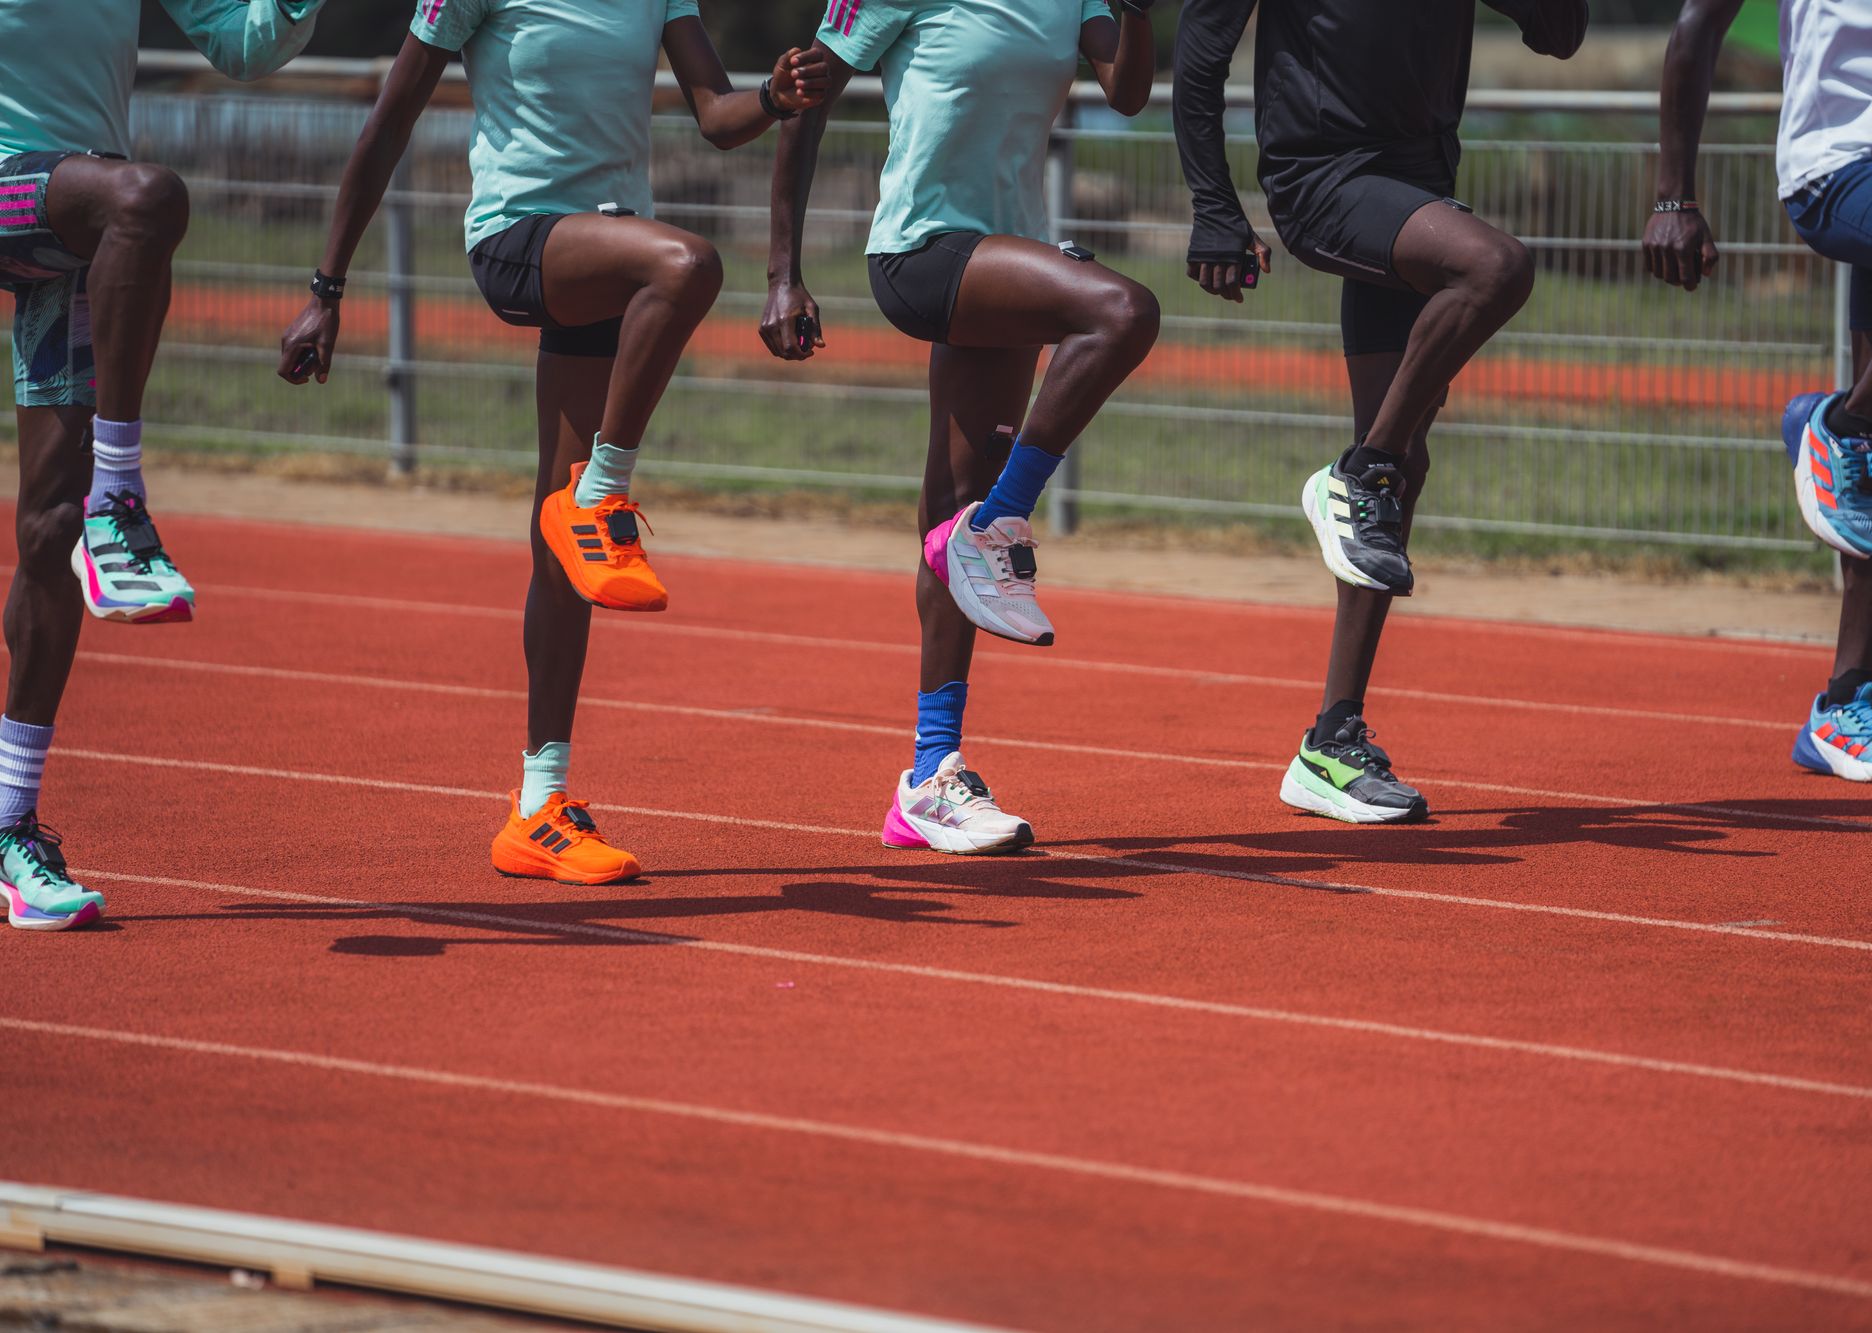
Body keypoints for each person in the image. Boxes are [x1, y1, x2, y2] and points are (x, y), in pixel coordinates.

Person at [279, 1, 826, 882]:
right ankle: (602, 491)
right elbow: (389, 125)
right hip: (519, 238)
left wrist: (772, 93)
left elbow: (718, 116)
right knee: (686, 263)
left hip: (604, 254)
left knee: (559, 546)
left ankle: (539, 804)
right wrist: (326, 287)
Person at [760, 0, 1160, 854]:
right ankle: (1003, 520)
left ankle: (929, 778)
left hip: (1002, 253)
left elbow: (1126, 92)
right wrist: (783, 273)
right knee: (1122, 311)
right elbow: (807, 97)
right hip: (923, 250)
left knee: (951, 510)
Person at [1173, 0, 1587, 824]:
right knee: (1495, 268)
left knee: (1406, 459)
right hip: (1323, 179)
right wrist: (1216, 208)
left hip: (1417, 179)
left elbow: (1560, 34)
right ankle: (1356, 475)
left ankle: (1331, 742)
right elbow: (1197, 58)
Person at [0, 0, 325, 931]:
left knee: (48, 530)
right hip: (55, 194)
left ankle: (10, 827)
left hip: (70, 220)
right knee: (143, 196)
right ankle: (122, 500)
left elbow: (247, 42)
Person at [1646, 0, 1872, 783]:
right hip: (1839, 161)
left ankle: (1845, 703)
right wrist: (1675, 195)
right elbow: (1698, 25)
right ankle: (1838, 423)